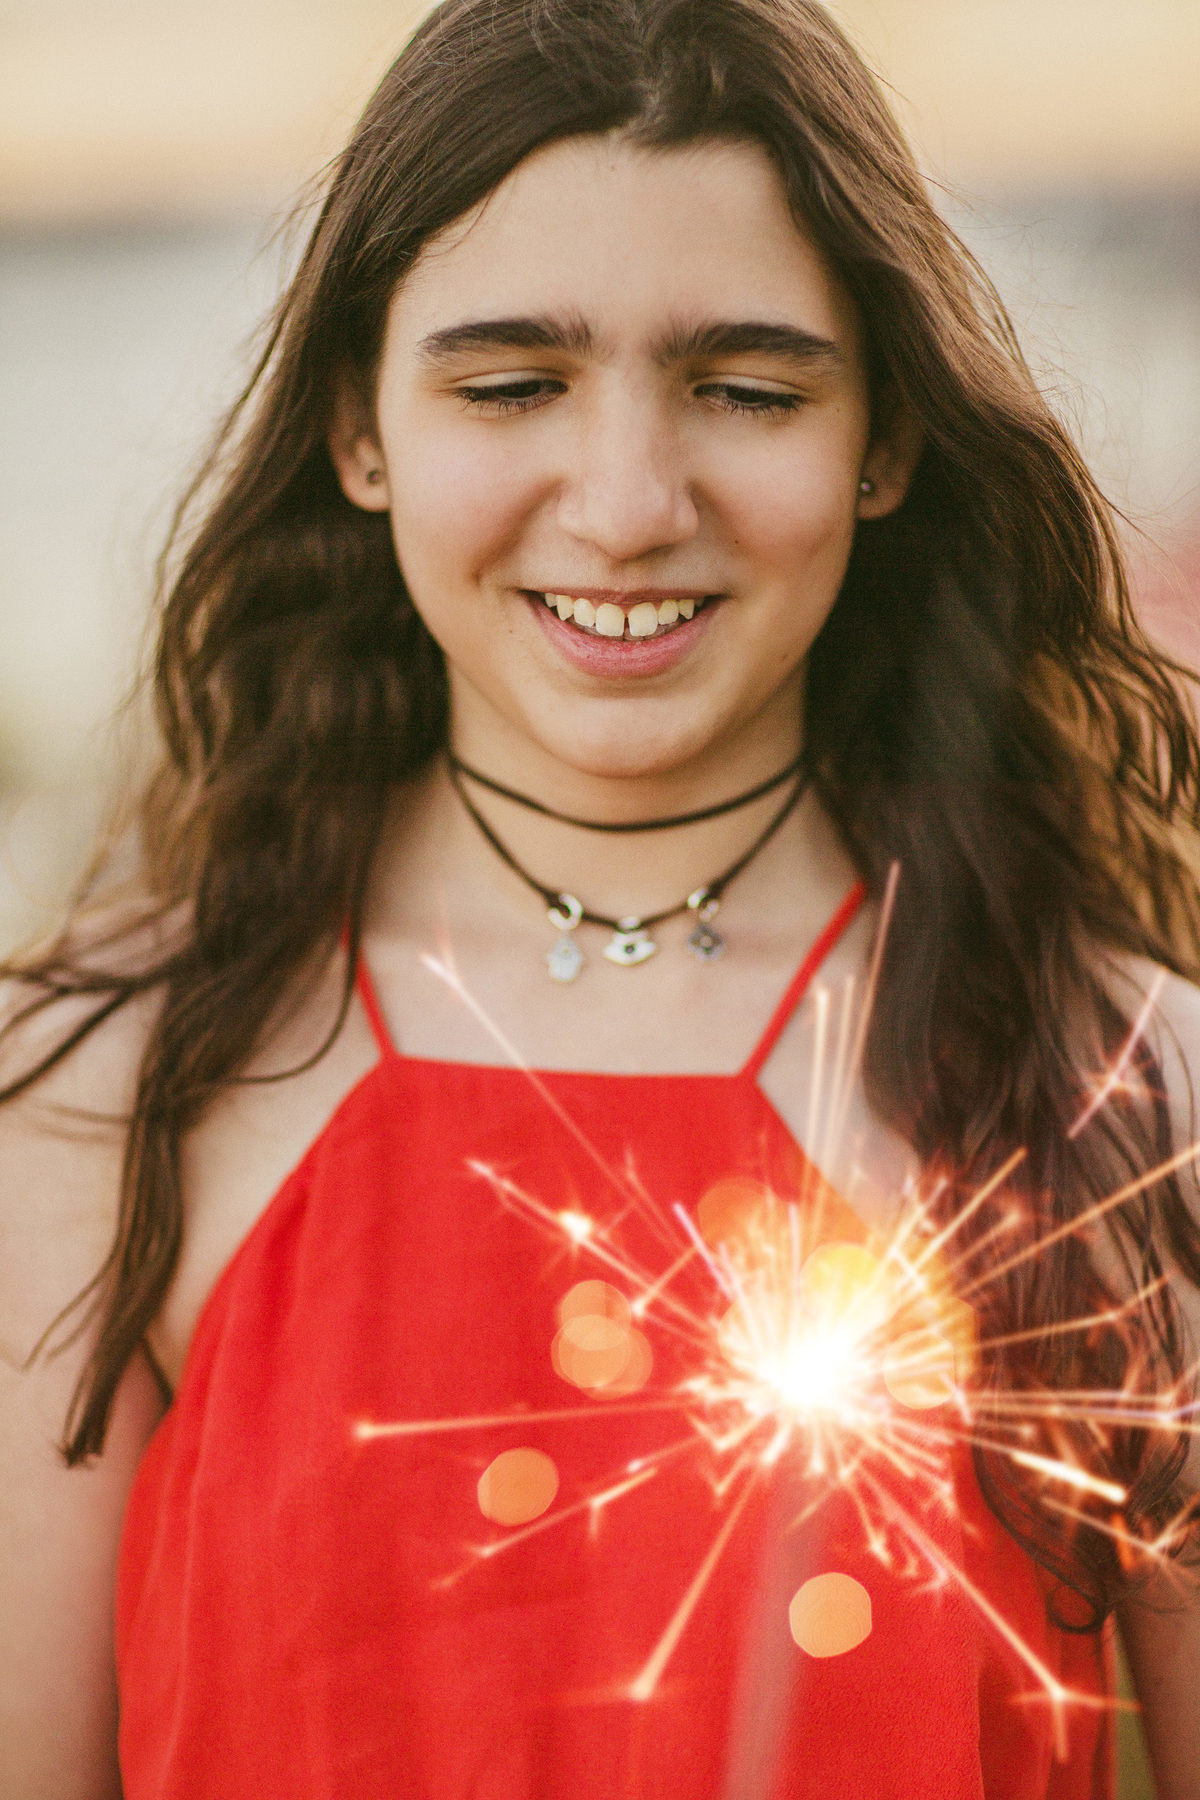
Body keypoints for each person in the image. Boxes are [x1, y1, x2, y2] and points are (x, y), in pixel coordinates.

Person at [2, 0, 1199, 1793]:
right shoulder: (102, 1089)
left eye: (747, 388)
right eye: (509, 386)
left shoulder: (1127, 1087)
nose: (629, 503)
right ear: (360, 429)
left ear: (880, 443)